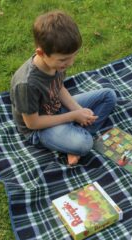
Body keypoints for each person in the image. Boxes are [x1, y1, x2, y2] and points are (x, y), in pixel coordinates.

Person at [10, 10, 116, 166]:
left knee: (109, 96)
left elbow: (58, 88)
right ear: (41, 52)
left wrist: (77, 109)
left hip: (57, 110)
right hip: (39, 129)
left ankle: (71, 136)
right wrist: (73, 116)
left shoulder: (56, 64)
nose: (70, 63)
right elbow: (32, 124)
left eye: (74, 55)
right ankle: (73, 141)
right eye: (64, 59)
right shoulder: (26, 85)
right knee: (85, 144)